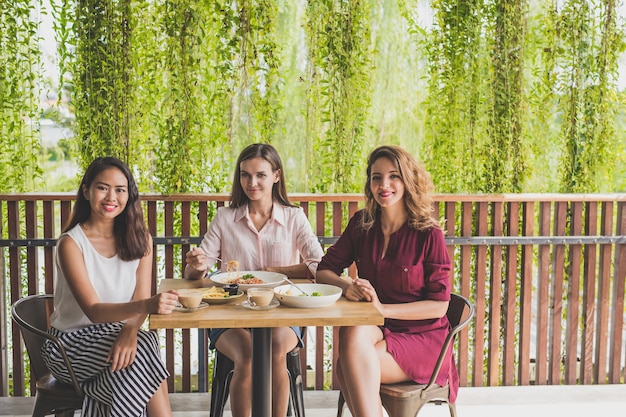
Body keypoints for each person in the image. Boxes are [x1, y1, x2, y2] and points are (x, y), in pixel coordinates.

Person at [184, 143, 323, 417]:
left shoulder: (294, 217)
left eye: (260, 175)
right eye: (245, 175)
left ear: (276, 176)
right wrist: (198, 264)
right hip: (229, 315)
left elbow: (319, 265)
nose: (252, 182)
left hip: (282, 312)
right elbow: (193, 275)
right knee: (247, 358)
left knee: (273, 353)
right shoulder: (225, 218)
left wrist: (274, 269)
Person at [316, 145, 455, 417]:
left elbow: (439, 305)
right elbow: (324, 271)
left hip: (423, 337)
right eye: (376, 177)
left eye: (394, 176)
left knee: (348, 364)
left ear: (407, 180)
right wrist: (349, 285)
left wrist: (383, 309)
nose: (384, 185)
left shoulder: (429, 233)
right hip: (379, 327)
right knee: (352, 333)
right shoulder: (361, 224)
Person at [42, 156, 179, 417]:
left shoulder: (141, 240)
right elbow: (94, 311)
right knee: (146, 346)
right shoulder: (71, 244)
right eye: (102, 187)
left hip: (116, 339)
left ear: (129, 195)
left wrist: (130, 330)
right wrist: (147, 307)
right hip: (68, 347)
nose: (110, 197)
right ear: (86, 191)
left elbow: (139, 300)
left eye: (120, 189)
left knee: (125, 372)